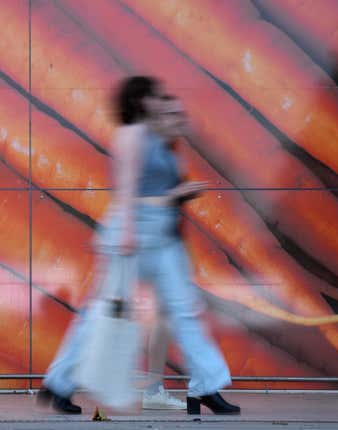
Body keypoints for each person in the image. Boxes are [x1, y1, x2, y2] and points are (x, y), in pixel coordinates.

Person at [37, 76, 240, 416]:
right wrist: (131, 228)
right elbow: (127, 189)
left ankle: (206, 386)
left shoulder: (157, 137)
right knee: (102, 312)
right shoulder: (131, 135)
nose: (163, 101)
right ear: (143, 101)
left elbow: (161, 174)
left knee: (185, 309)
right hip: (133, 233)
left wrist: (177, 192)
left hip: (162, 239)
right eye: (157, 97)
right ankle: (59, 382)